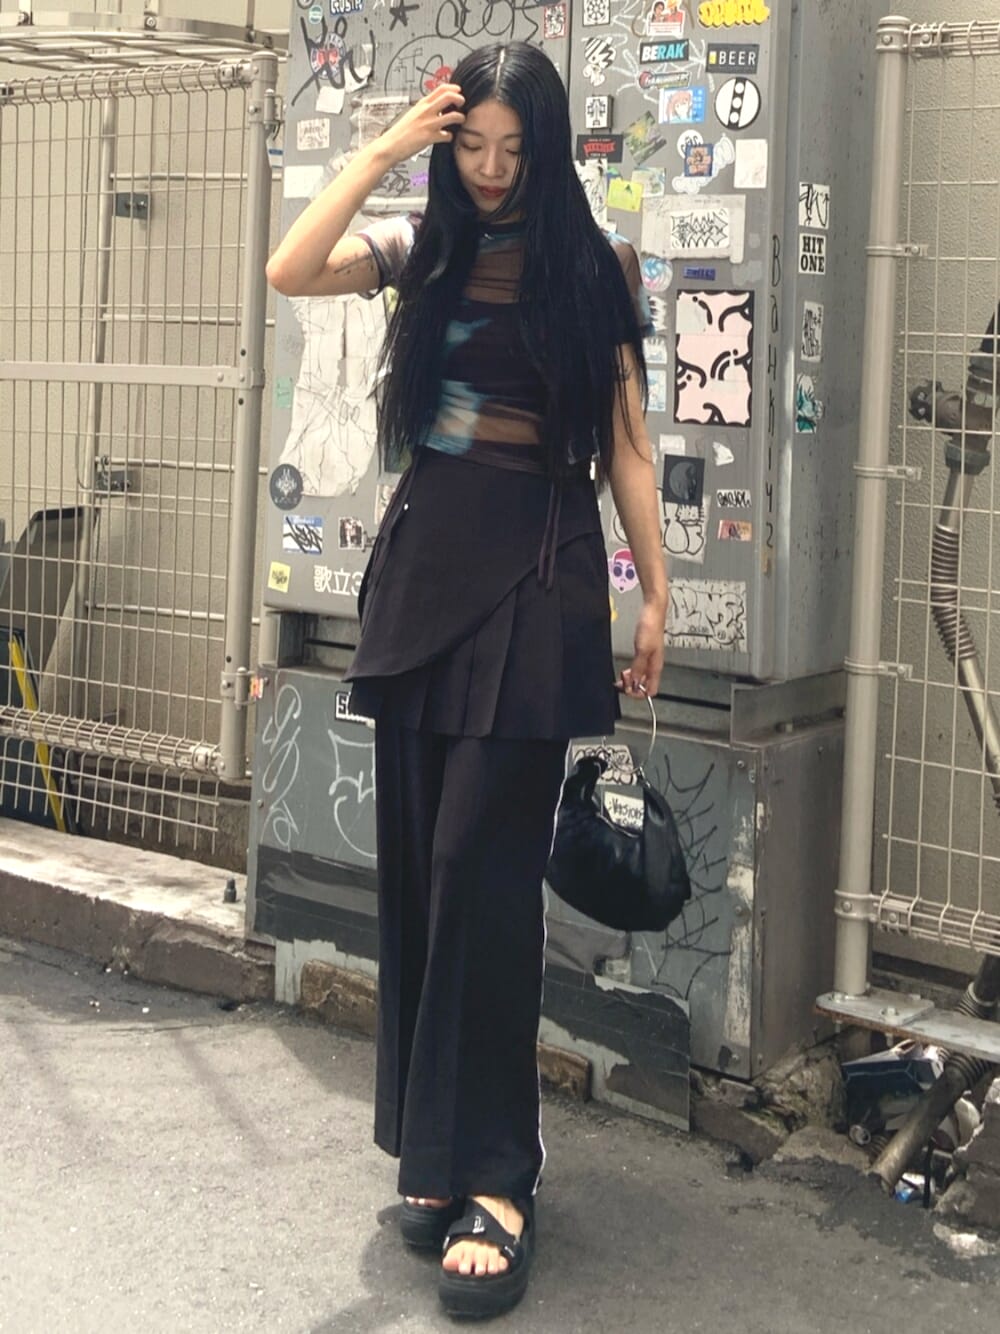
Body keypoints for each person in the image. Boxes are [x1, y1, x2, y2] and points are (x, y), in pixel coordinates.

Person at [266, 40, 667, 1320]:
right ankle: (435, 1152)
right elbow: (290, 267)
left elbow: (626, 449)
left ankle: (501, 1173)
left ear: (544, 150)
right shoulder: (425, 246)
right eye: (472, 146)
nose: (491, 169)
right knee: (421, 873)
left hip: (539, 580)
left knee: (478, 875)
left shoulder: (594, 270)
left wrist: (654, 593)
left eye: (512, 148)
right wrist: (387, 148)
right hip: (426, 573)